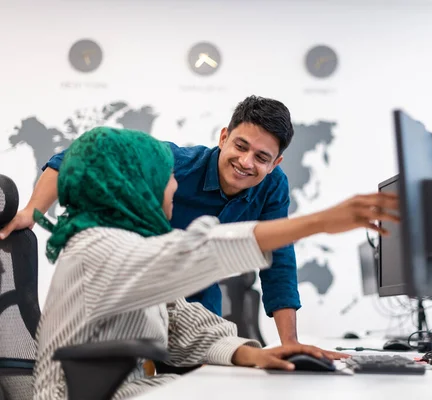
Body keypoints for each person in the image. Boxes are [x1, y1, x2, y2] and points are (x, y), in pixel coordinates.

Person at [32, 127, 399, 400]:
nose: (175, 187)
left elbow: (181, 321)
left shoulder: (132, 247)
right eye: (165, 179)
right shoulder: (97, 247)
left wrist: (255, 353)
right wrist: (318, 222)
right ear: (136, 187)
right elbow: (194, 253)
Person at [1, 96, 337, 356]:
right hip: (139, 287)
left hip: (194, 298)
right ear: (223, 137)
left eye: (262, 158)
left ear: (275, 163)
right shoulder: (171, 165)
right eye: (241, 146)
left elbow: (278, 261)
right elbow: (80, 156)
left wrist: (287, 344)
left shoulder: (272, 184)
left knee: (213, 360)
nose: (247, 162)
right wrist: (33, 210)